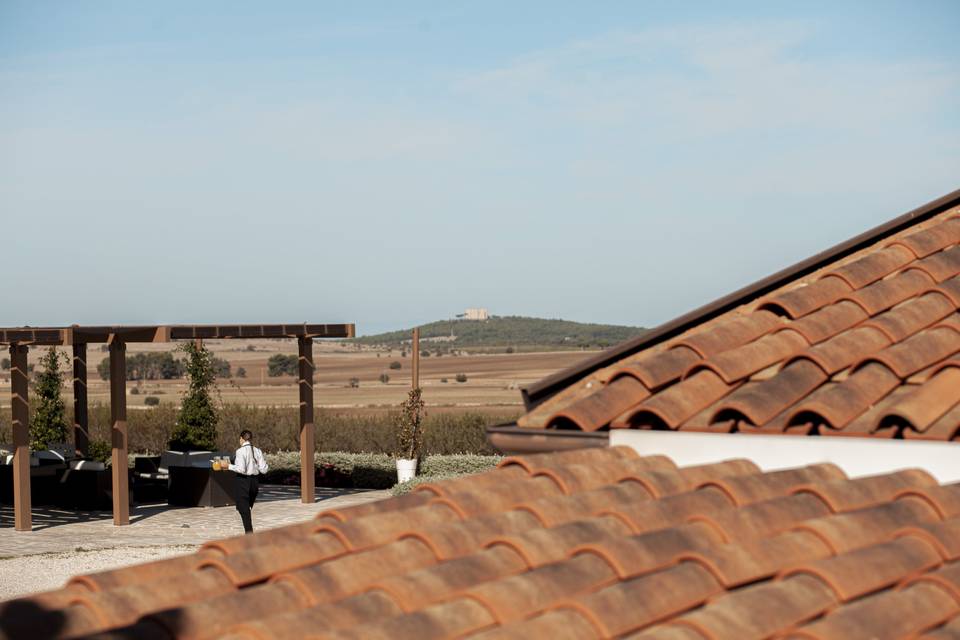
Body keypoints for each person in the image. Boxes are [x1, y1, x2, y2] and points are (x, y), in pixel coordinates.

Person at [227, 429, 268, 533]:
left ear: (241, 439)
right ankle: (249, 533)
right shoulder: (257, 450)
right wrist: (255, 466)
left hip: (243, 482)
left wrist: (228, 466)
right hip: (254, 483)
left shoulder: (240, 451)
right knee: (245, 509)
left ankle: (249, 535)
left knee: (243, 509)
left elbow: (241, 469)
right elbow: (264, 469)